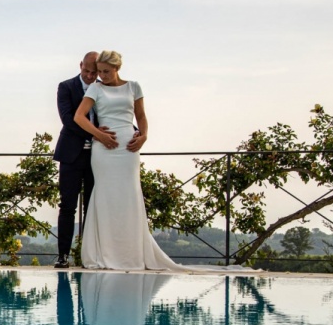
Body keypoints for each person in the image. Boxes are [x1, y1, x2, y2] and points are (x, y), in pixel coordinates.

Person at [71, 50, 251, 272]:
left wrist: (144, 136)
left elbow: (142, 116)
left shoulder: (133, 86)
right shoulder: (96, 88)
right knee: (105, 196)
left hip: (129, 149)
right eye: (100, 71)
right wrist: (99, 135)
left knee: (129, 195)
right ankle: (103, 254)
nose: (102, 75)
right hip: (104, 151)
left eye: (106, 71)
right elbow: (78, 117)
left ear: (117, 68)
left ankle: (130, 255)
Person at [52, 52, 99, 268]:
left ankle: (89, 256)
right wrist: (96, 134)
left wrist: (132, 131)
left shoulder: (103, 88)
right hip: (71, 155)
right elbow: (68, 119)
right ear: (80, 66)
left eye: (94, 72)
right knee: (67, 207)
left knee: (92, 206)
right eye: (86, 71)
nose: (90, 75)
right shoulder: (66, 86)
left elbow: (113, 115)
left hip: (98, 157)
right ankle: (63, 256)